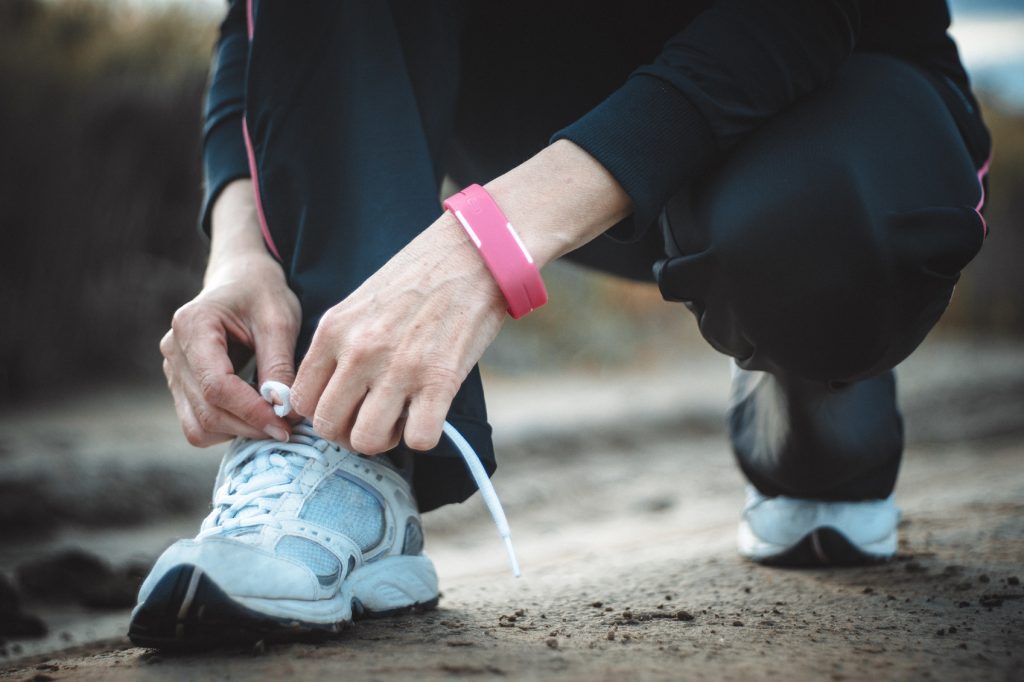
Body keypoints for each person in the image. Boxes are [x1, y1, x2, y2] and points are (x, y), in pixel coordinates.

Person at [128, 0, 991, 648]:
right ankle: (354, 455)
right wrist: (244, 248)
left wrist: (487, 247)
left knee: (827, 241)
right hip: (539, 105)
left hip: (823, 89)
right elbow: (264, 25)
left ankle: (803, 357)